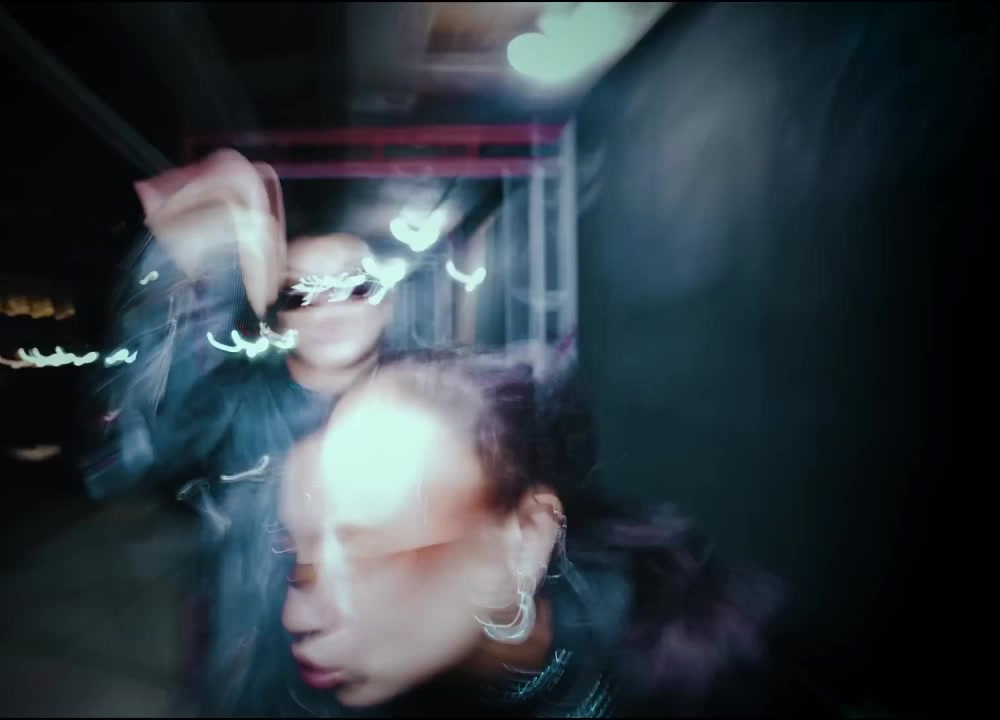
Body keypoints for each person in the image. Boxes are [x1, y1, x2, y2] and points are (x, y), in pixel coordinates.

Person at [216, 351, 783, 717]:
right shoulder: (311, 691)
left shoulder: (701, 678)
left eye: (368, 549)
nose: (297, 617)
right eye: (297, 546)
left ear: (525, 539)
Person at [80, 149, 403, 711]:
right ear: (282, 313)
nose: (328, 307)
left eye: (354, 286)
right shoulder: (236, 405)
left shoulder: (439, 411)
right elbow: (125, 454)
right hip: (250, 689)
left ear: (387, 303)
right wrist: (193, 259)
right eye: (302, 292)